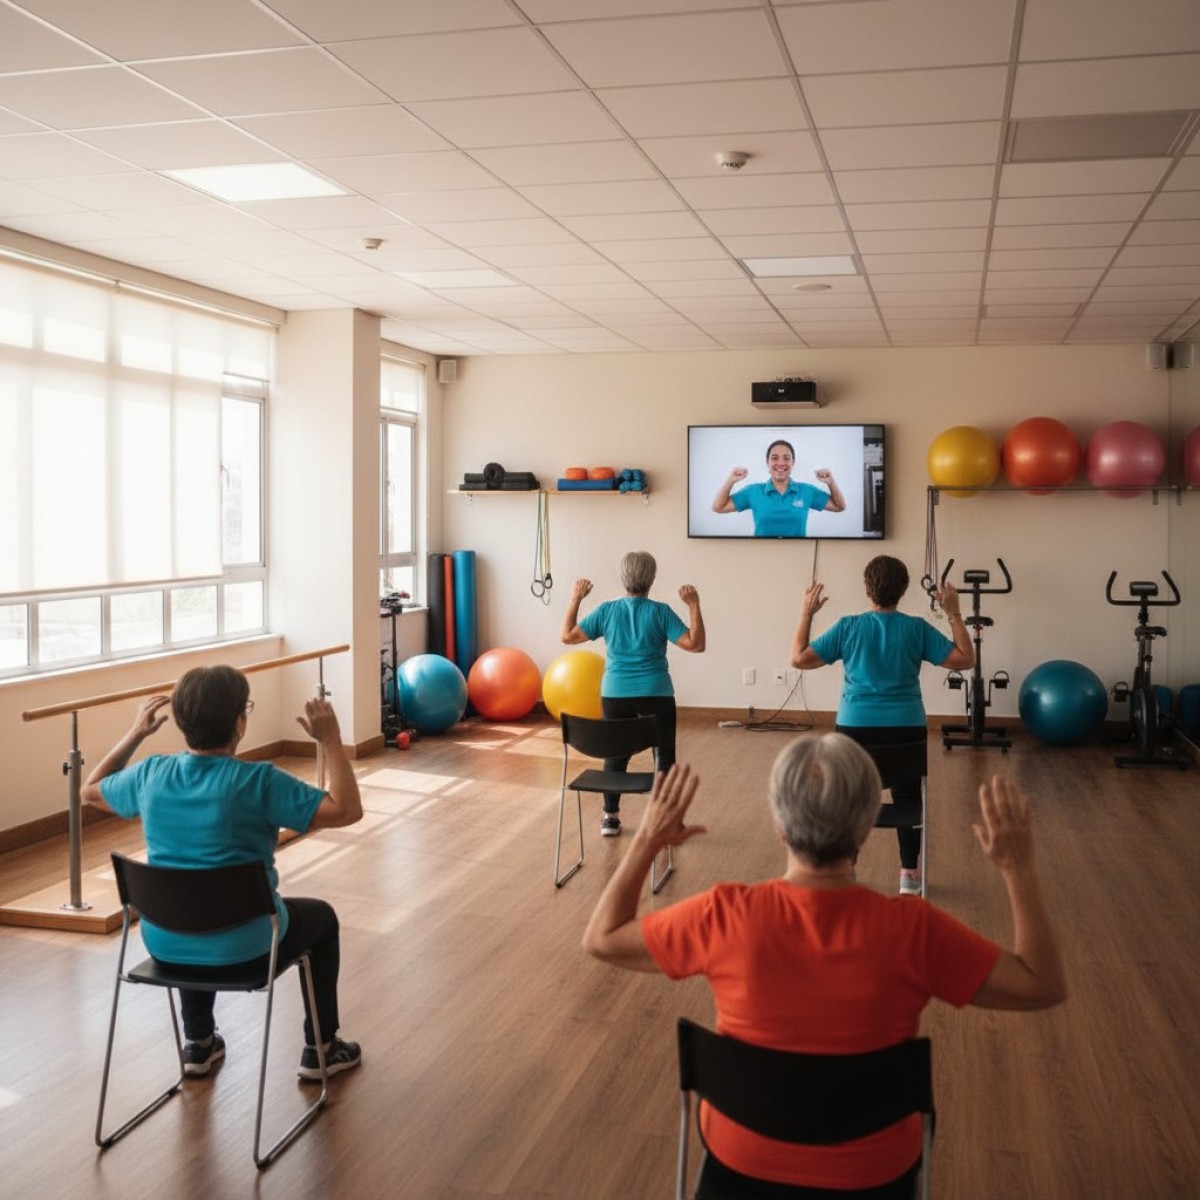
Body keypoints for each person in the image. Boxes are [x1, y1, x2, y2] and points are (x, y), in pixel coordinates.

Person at [583, 737, 1066, 1197]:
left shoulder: (723, 914)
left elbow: (602, 938)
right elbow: (1041, 984)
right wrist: (1019, 870)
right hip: (873, 1175)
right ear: (866, 827)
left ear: (778, 823)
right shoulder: (914, 930)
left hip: (741, 1163)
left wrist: (647, 840)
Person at [82, 665, 364, 1081]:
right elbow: (346, 810)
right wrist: (331, 740)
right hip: (248, 944)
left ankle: (198, 1042)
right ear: (239, 722)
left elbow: (90, 790)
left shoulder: (150, 774)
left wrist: (136, 733)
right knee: (321, 918)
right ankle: (321, 1049)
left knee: (190, 903)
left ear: (181, 722)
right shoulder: (260, 782)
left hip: (164, 942)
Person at [790, 555, 973, 894]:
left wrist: (806, 613)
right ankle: (909, 875)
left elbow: (799, 659)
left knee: (849, 799)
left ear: (867, 588)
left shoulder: (848, 626)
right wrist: (953, 613)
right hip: (906, 730)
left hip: (854, 730)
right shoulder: (916, 628)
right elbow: (965, 659)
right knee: (908, 799)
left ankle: (846, 868)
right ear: (903, 590)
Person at [560, 550, 705, 837]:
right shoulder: (661, 612)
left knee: (616, 753)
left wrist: (576, 598)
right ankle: (667, 820)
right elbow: (695, 644)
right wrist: (694, 605)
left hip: (615, 693)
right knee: (664, 755)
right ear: (652, 578)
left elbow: (567, 636)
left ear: (622, 578)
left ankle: (610, 818)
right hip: (656, 692)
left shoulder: (607, 611)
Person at [712, 438, 846, 537]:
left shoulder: (807, 491)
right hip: (760, 556)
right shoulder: (753, 491)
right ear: (767, 463)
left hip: (800, 556)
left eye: (786, 458)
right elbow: (718, 507)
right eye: (775, 458)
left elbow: (839, 506)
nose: (781, 463)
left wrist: (831, 482)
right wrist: (731, 480)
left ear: (793, 463)